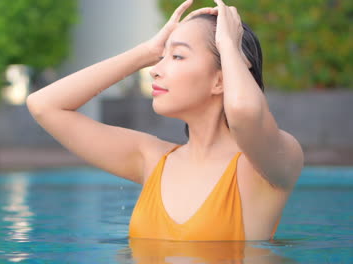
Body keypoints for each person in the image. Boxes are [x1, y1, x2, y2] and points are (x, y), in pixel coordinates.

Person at [27, 0, 304, 241]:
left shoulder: (269, 164)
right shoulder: (150, 159)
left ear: (221, 79)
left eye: (177, 56)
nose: (155, 71)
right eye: (161, 57)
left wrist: (228, 43)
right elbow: (44, 105)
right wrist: (146, 53)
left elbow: (244, 112)